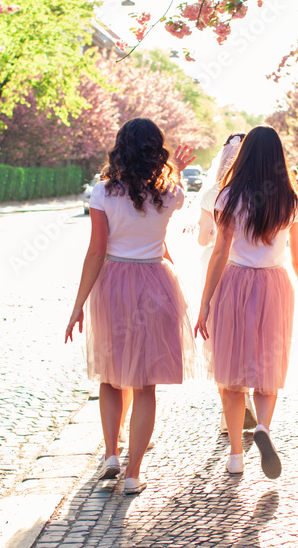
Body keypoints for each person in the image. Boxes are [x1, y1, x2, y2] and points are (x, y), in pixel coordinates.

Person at [65, 118, 197, 495]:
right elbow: (163, 198)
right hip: (156, 282)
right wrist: (175, 172)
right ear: (156, 150)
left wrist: (78, 304)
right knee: (145, 384)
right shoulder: (172, 192)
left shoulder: (102, 192)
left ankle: (110, 453)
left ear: (119, 147)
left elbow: (96, 250)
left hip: (114, 284)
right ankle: (134, 474)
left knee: (110, 374)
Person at [195, 125, 298, 479]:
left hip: (234, 282)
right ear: (279, 158)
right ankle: (263, 427)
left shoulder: (227, 196)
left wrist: (205, 303)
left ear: (243, 156)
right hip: (275, 285)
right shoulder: (291, 200)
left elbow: (218, 253)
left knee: (231, 372)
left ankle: (234, 454)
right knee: (268, 367)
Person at [196, 132, 258, 434]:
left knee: (223, 344)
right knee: (248, 339)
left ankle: (229, 411)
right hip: (251, 269)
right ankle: (244, 399)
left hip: (220, 272)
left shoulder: (213, 194)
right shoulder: (256, 191)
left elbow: (202, 239)